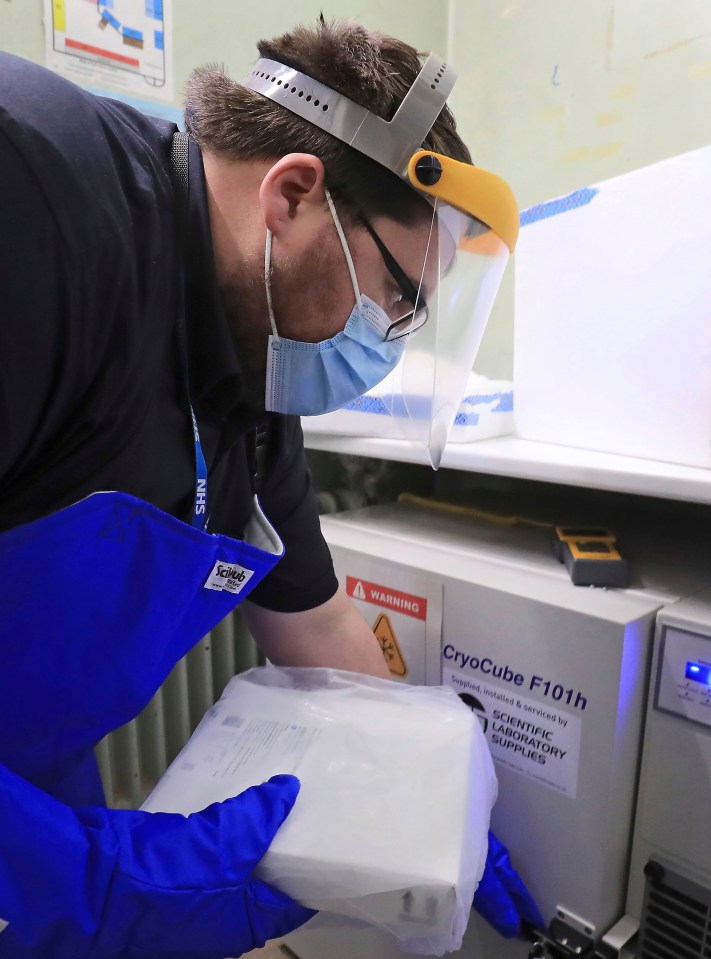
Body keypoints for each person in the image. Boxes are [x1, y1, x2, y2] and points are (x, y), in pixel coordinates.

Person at [0, 16, 539, 958]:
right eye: (396, 296)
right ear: (293, 194)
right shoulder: (33, 193)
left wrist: (435, 806)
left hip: (37, 776)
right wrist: (84, 878)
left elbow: (321, 627)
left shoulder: (254, 389)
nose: (388, 337)